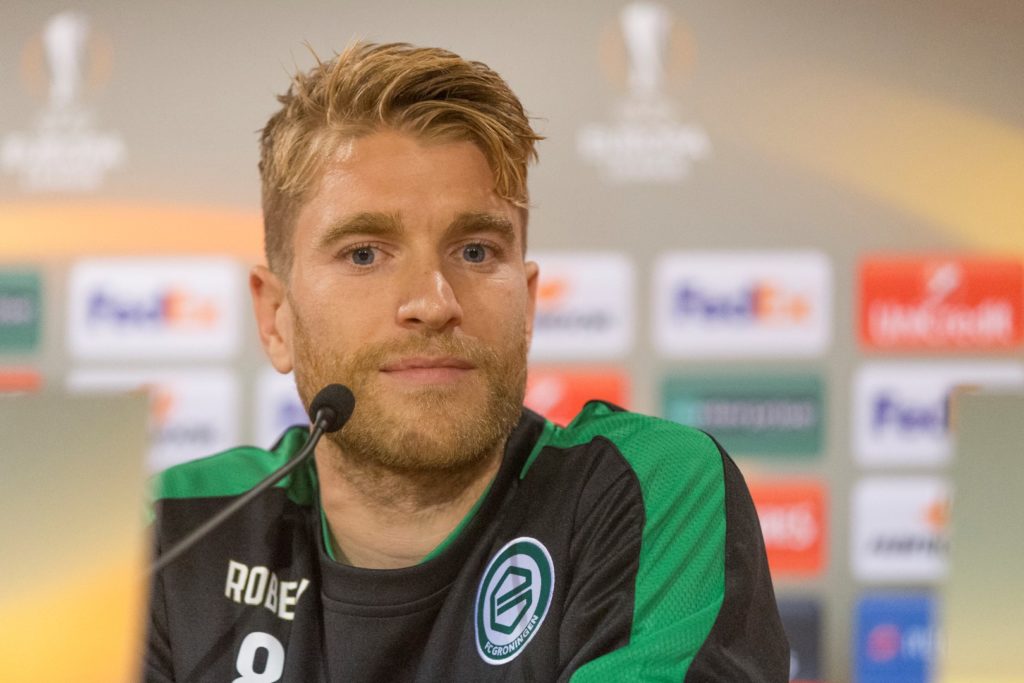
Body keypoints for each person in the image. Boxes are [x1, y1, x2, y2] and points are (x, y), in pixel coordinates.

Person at [145, 41, 788, 682]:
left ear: (528, 306)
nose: (433, 303)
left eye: (476, 251)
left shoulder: (643, 490)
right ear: (274, 317)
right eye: (364, 254)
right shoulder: (171, 530)